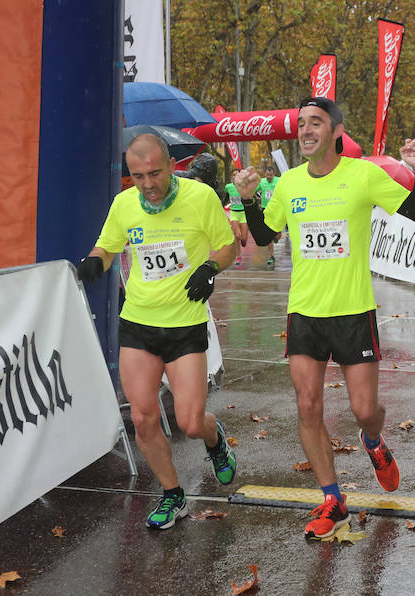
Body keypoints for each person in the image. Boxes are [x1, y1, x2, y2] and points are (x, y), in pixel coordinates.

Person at [233, 97, 415, 540]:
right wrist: (248, 199)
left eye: (315, 123)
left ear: (336, 130)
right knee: (308, 406)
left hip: (352, 312)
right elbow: (266, 235)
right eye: (301, 124)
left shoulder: (363, 176)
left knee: (365, 411)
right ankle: (332, 499)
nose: (305, 131)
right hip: (305, 311)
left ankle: (374, 442)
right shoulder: (288, 184)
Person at [76, 134, 238, 530]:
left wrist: (209, 268)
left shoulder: (200, 198)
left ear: (170, 165)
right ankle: (172, 495)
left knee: (189, 421)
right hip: (139, 322)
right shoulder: (124, 204)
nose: (147, 184)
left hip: (185, 325)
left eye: (155, 173)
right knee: (144, 418)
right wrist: (94, 263)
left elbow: (228, 246)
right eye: (137, 176)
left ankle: (214, 438)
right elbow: (107, 247)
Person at [256, 165, 281, 267]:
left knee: (277, 234)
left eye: (270, 175)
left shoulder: (279, 181)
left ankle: (276, 236)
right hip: (266, 209)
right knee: (268, 233)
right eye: (267, 175)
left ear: (274, 174)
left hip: (277, 209)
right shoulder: (262, 182)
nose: (268, 177)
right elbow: (254, 190)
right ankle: (271, 256)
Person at [224, 170, 248, 266]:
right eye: (233, 175)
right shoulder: (228, 187)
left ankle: (243, 242)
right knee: (237, 236)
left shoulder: (244, 186)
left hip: (243, 213)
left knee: (244, 239)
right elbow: (225, 199)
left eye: (237, 175)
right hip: (234, 213)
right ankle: (238, 256)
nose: (235, 176)